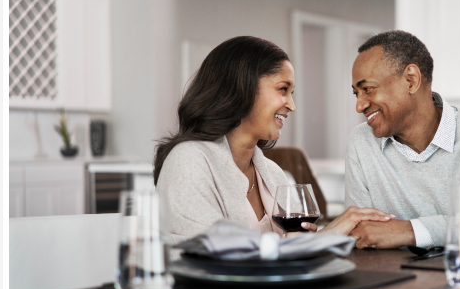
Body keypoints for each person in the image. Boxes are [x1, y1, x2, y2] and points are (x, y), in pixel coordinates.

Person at [154, 36, 393, 245]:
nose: (291, 105)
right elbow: (211, 260)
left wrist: (308, 241)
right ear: (241, 88)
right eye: (282, 89)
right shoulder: (189, 161)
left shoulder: (272, 174)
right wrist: (324, 236)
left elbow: (286, 257)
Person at [346, 30, 460, 249]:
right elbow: (362, 235)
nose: (360, 105)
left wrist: (413, 231)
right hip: (395, 279)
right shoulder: (361, 142)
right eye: (357, 93)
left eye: (368, 89)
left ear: (411, 80)